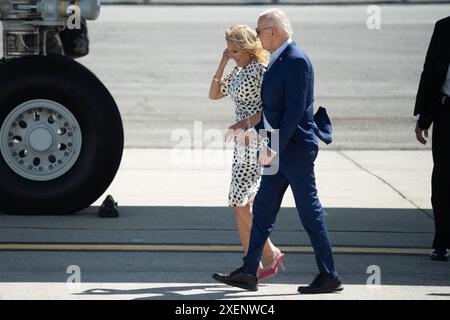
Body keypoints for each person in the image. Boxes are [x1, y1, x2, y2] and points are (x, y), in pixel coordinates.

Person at [213, 9, 342, 294]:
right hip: (277, 148)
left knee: (310, 213)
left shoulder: (296, 61)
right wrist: (254, 133)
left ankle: (329, 274)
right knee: (262, 210)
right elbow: (272, 111)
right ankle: (249, 272)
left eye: (260, 31)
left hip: (294, 151)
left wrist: (272, 146)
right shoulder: (277, 59)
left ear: (274, 31)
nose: (258, 36)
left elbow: (294, 112)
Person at [208, 24, 284, 279]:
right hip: (242, 142)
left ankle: (270, 252)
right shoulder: (239, 70)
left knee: (238, 201)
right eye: (229, 50)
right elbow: (214, 94)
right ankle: (251, 267)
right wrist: (223, 62)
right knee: (242, 203)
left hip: (256, 139)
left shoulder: (259, 70)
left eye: (235, 51)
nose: (233, 55)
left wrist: (244, 123)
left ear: (248, 48)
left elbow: (271, 109)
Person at [414, 16, 450, 261]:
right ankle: (442, 241)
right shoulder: (443, 27)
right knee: (443, 180)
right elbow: (430, 72)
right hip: (447, 112)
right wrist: (423, 118)